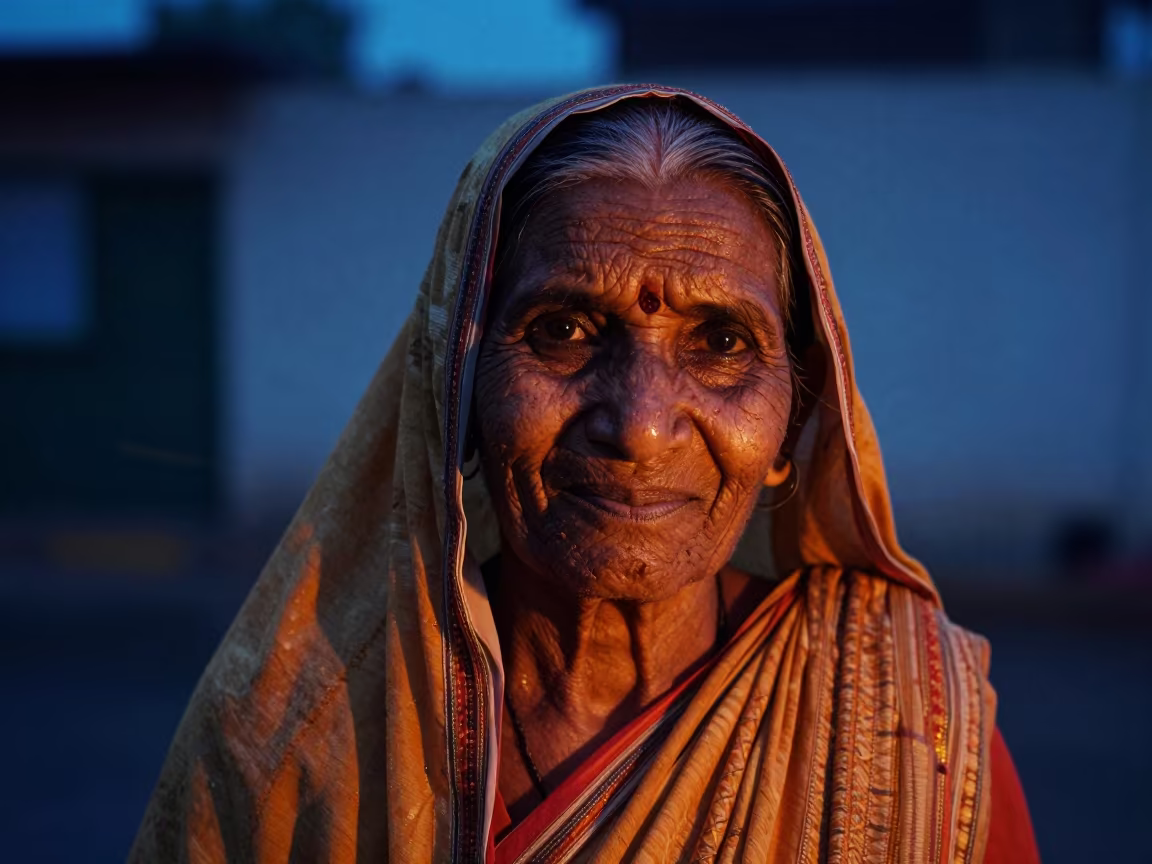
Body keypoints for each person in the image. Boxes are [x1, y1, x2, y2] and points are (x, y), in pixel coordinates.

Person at [130, 85, 1040, 863]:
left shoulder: (916, 731)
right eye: (563, 330)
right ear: (459, 389)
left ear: (791, 423)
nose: (639, 425)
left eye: (722, 343)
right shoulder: (294, 735)